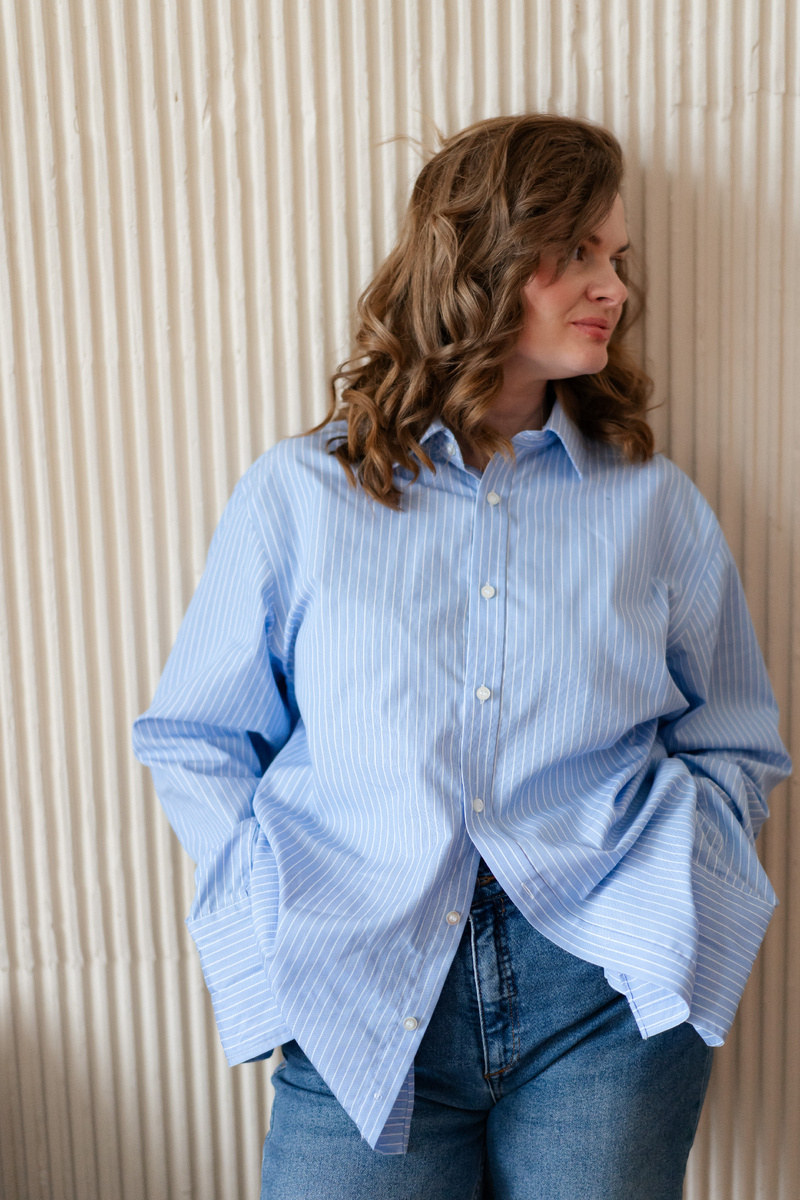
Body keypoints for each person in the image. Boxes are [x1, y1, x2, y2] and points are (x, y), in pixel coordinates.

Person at [132, 114, 791, 1199]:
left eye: (617, 258)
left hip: (601, 990)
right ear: (481, 258)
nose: (614, 288)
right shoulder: (301, 495)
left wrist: (685, 875)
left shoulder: (651, 504)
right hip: (362, 972)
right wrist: (270, 913)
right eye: (577, 251)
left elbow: (734, 735)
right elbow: (197, 735)